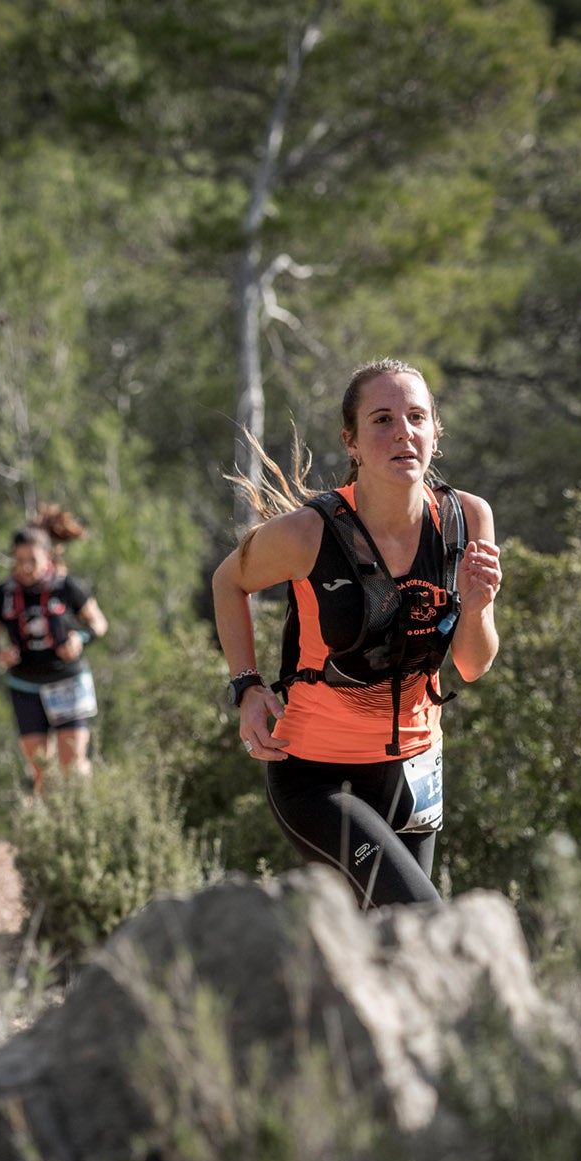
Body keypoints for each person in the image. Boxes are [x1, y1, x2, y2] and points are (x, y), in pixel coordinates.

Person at [210, 358, 502, 910]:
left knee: (390, 951)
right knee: (424, 924)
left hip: (415, 775)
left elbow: (472, 663)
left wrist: (479, 607)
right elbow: (229, 581)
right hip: (319, 779)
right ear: (352, 442)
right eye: (382, 420)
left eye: (417, 417)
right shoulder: (309, 532)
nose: (402, 433)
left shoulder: (467, 519)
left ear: (436, 433)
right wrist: (247, 686)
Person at [0, 506, 108, 794]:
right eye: (19, 561)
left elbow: (99, 623)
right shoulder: (3, 594)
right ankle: (51, 834)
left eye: (32, 560)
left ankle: (85, 823)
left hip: (67, 681)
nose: (25, 568)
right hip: (25, 686)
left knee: (73, 766)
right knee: (42, 772)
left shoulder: (66, 587)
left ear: (48, 557)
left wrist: (81, 639)